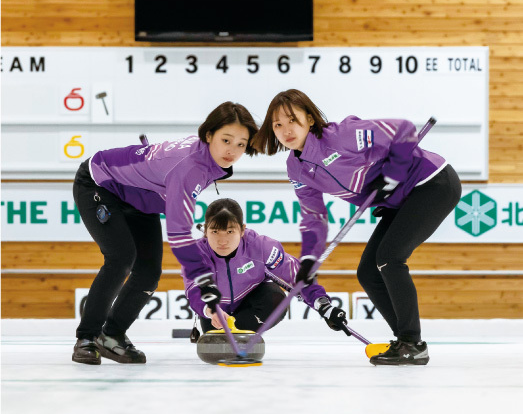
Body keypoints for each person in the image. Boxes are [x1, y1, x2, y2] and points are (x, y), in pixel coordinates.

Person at [252, 89, 462, 366]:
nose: (286, 130)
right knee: (368, 272)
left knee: (389, 258)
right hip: (397, 201)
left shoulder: (342, 135)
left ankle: (413, 342)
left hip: (431, 183)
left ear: (310, 119)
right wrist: (308, 260)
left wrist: (392, 175)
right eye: (278, 125)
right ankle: (404, 341)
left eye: (292, 120)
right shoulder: (296, 169)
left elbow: (403, 130)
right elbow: (314, 217)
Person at [72, 102, 259, 365]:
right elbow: (180, 236)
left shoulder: (207, 161)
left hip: (141, 197)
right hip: (100, 183)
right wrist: (207, 288)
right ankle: (87, 337)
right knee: (121, 258)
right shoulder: (190, 167)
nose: (233, 150)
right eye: (226, 140)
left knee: (148, 273)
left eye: (241, 144)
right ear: (209, 135)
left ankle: (112, 336)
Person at [182, 198, 347, 334]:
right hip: (215, 314)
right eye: (215, 232)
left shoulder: (262, 248)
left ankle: (240, 332)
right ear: (205, 231)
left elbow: (296, 275)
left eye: (230, 231)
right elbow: (195, 291)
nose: (222, 241)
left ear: (242, 230)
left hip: (251, 306)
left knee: (275, 298)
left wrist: (323, 305)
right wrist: (211, 310)